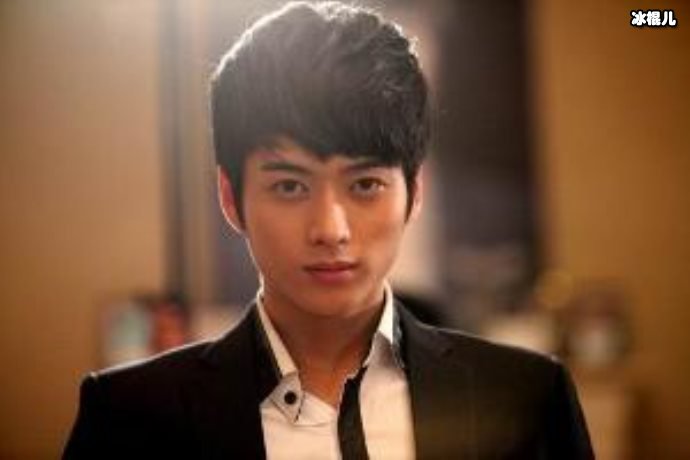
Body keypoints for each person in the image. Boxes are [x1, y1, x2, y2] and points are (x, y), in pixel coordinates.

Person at [63, 2, 593, 459]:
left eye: (365, 185)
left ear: (414, 192)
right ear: (230, 197)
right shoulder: (130, 416)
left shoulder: (527, 397)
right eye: (290, 186)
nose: (330, 229)